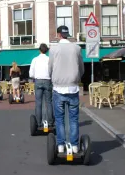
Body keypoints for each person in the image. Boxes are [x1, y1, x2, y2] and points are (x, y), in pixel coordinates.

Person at [48, 25, 84, 154]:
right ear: (68, 35)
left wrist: (52, 77)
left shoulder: (53, 49)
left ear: (58, 35)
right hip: (73, 87)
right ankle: (74, 146)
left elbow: (50, 67)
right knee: (74, 119)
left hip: (58, 88)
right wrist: (77, 77)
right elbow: (81, 67)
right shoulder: (77, 48)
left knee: (59, 119)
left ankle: (61, 145)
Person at [29, 43, 54, 129]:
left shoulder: (35, 60)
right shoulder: (50, 60)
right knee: (49, 102)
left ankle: (39, 123)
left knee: (38, 103)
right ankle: (50, 122)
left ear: (39, 50)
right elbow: (52, 71)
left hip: (38, 81)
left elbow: (31, 74)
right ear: (46, 50)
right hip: (47, 81)